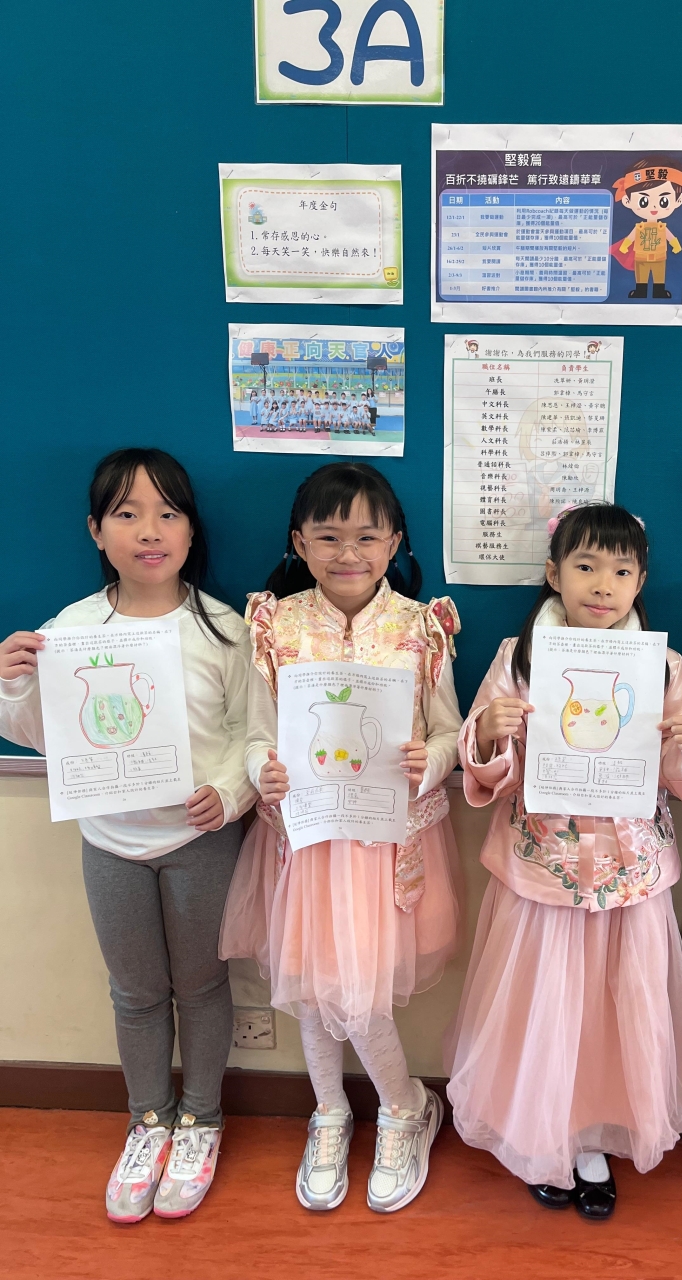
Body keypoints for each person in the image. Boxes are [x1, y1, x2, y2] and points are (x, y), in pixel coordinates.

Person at [446, 502, 682, 1220]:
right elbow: (488, 769)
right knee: (542, 1010)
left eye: (622, 571)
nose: (603, 585)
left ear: (640, 582)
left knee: (610, 1013)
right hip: (544, 871)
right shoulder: (520, 658)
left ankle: (592, 1138)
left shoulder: (661, 665)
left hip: (627, 877)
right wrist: (491, 734)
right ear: (554, 574)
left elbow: (678, 774)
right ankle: (544, 1133)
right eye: (586, 566)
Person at [0, 449, 255, 1223]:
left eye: (168, 513)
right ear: (96, 531)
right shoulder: (72, 630)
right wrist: (14, 681)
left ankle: (201, 1119)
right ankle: (149, 1120)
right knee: (136, 992)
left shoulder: (226, 631)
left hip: (201, 840)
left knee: (202, 986)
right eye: (127, 514)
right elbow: (43, 735)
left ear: (190, 530)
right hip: (111, 840)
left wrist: (230, 793)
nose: (150, 531)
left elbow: (255, 733)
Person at [220, 461, 462, 1214]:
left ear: (395, 542)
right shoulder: (275, 624)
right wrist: (262, 769)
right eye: (328, 536)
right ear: (299, 542)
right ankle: (330, 1111)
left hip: (387, 846)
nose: (347, 552)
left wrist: (432, 760)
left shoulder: (422, 627)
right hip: (304, 843)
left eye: (366, 536)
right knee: (312, 988)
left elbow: (449, 730)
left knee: (357, 994)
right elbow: (253, 734)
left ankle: (403, 1107)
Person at [611, 161, 682, 299]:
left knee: (659, 274)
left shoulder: (662, 227)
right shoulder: (639, 227)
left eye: (663, 201)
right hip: (641, 256)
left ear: (678, 200)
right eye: (644, 201)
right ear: (627, 201)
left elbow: (670, 237)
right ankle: (641, 291)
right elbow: (630, 238)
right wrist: (624, 246)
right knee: (641, 275)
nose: (654, 207)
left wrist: (676, 245)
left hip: (659, 256)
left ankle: (659, 291)